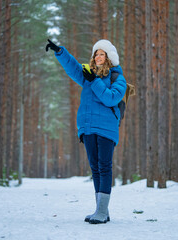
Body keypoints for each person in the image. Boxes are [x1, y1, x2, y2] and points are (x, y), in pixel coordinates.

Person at [46, 39, 126, 224]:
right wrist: (60, 51)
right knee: (95, 169)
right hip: (88, 127)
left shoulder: (117, 78)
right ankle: (101, 210)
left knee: (104, 167)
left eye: (101, 54)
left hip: (106, 129)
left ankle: (102, 211)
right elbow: (73, 68)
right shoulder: (88, 76)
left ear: (108, 58)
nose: (97, 57)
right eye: (96, 53)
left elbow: (111, 98)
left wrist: (95, 81)